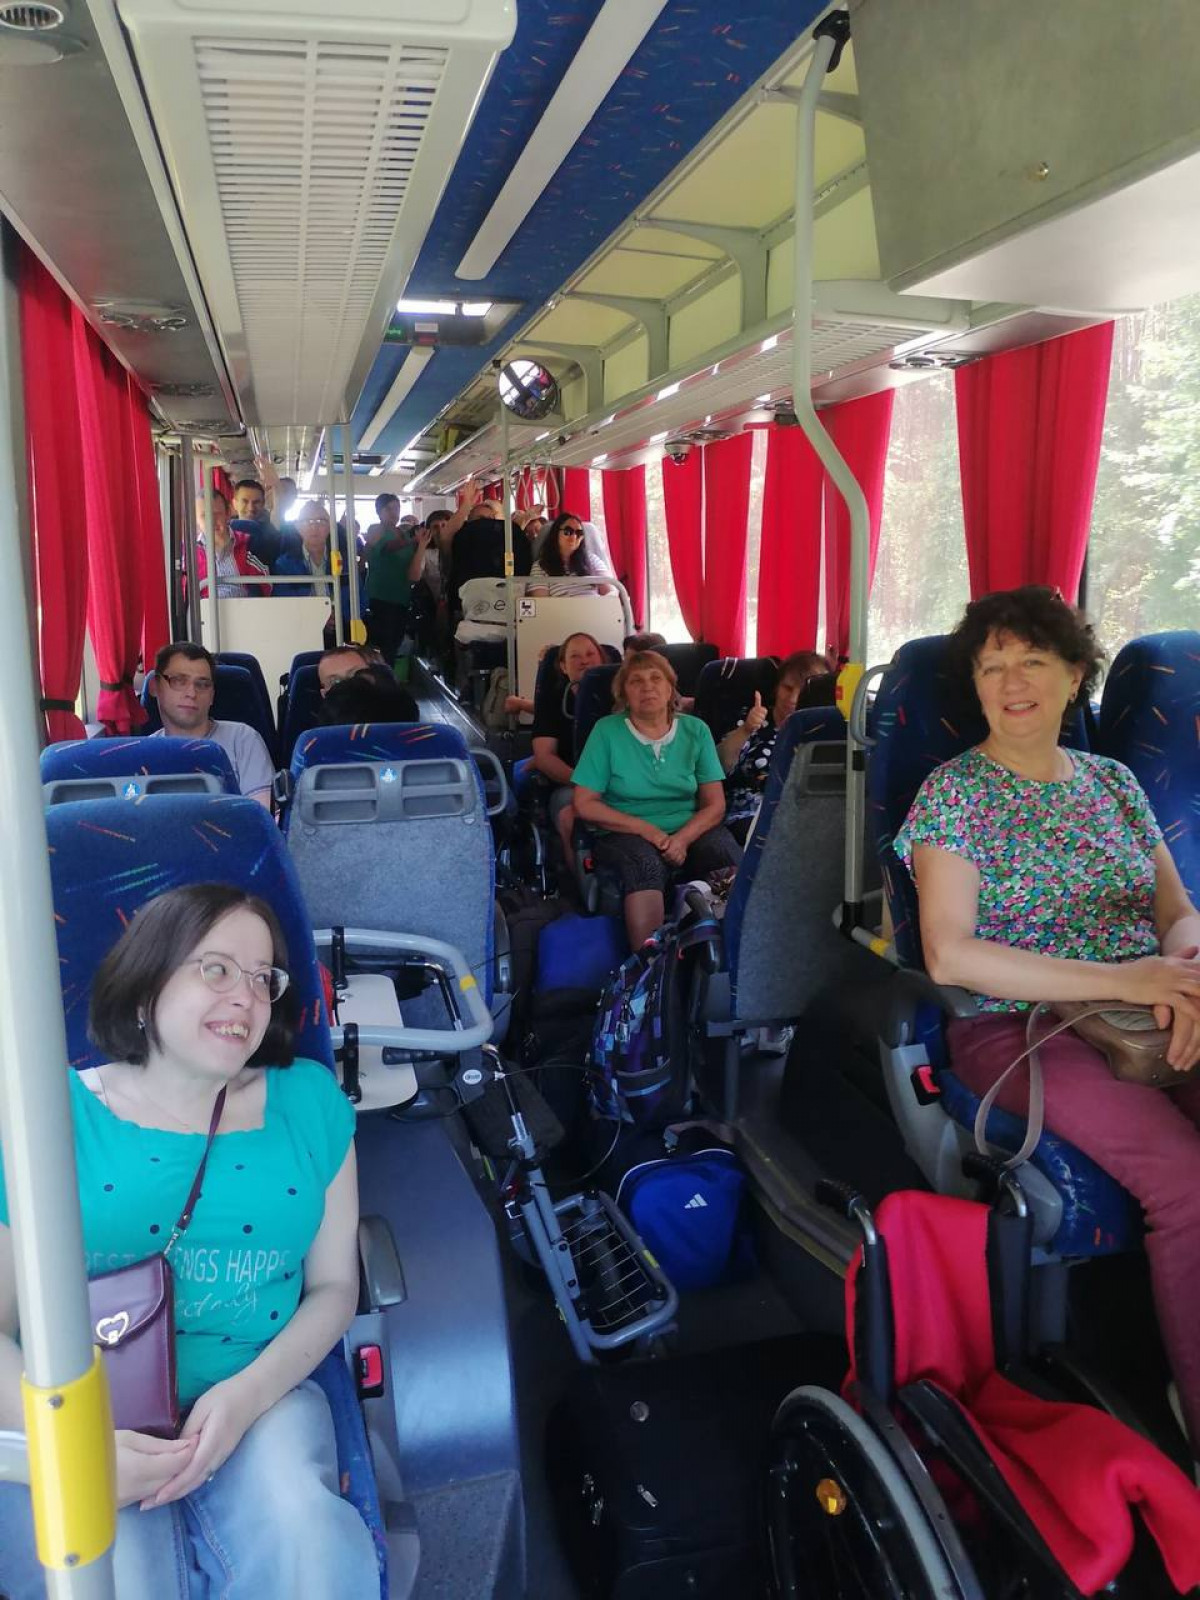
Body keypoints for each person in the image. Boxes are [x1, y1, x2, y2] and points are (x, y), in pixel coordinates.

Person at [0, 884, 379, 1600]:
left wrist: (245, 1397)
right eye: (216, 969)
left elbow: (335, 1285)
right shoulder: (45, 1118)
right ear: (147, 986)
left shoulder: (309, 1103)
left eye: (262, 978)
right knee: (116, 1581)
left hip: (258, 1388)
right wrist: (72, 1442)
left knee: (308, 1541)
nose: (245, 996)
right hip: (84, 1409)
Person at [894, 585, 1200, 1454]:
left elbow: (1175, 910)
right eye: (992, 666)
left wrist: (1184, 967)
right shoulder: (954, 794)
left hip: (1147, 1000)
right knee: (1186, 1182)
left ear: (1074, 675)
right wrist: (1128, 977)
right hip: (1017, 1026)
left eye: (1032, 660)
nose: (1012, 681)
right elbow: (950, 955)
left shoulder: (1115, 783)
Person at [573, 650, 741, 947]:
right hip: (624, 831)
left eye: (655, 678)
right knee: (644, 865)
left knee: (724, 855)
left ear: (670, 688)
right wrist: (646, 830)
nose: (647, 687)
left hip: (688, 826)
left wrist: (682, 840)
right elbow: (585, 803)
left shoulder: (696, 730)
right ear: (624, 693)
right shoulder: (606, 731)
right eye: (636, 681)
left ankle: (735, 951)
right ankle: (650, 965)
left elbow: (715, 805)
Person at [717, 650, 834, 844]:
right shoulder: (751, 719)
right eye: (787, 688)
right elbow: (718, 767)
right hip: (749, 814)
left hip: (806, 816)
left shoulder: (828, 729)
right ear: (776, 688)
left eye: (802, 691)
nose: (793, 698)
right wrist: (746, 729)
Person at [151, 643, 274, 808]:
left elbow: (262, 814)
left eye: (202, 685)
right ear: (155, 687)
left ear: (212, 696)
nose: (191, 693)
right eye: (179, 681)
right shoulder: (143, 752)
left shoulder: (243, 739)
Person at [530, 632, 607, 864]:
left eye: (590, 654)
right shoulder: (552, 701)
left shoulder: (620, 697)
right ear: (563, 667)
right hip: (571, 783)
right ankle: (579, 880)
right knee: (570, 817)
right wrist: (584, 783)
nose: (584, 661)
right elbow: (544, 756)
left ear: (602, 660)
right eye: (575, 656)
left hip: (621, 783)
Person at [364, 500, 431, 671]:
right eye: (389, 508)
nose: (394, 512)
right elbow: (386, 548)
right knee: (383, 644)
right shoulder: (376, 530)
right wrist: (412, 539)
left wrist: (419, 543)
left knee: (394, 643)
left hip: (401, 597)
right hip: (381, 597)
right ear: (379, 511)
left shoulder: (404, 534)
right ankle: (380, 678)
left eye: (397, 508)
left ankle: (388, 677)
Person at [195, 490, 271, 599]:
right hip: (205, 608)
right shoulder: (189, 554)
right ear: (196, 520)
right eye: (204, 515)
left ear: (228, 514)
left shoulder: (249, 544)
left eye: (217, 514)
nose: (212, 521)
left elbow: (265, 583)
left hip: (244, 606)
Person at [528, 512, 613, 597]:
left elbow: (610, 592)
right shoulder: (541, 567)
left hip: (595, 604)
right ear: (556, 534)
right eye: (568, 532)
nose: (574, 537)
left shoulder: (592, 560)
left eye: (579, 533)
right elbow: (541, 602)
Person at [230, 478, 284, 570]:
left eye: (256, 502)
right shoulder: (223, 531)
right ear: (235, 503)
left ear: (263, 504)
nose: (251, 508)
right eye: (245, 501)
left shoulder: (272, 532)